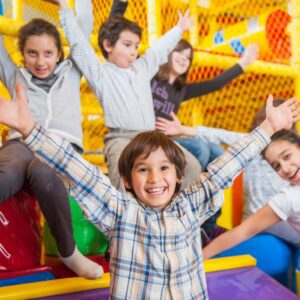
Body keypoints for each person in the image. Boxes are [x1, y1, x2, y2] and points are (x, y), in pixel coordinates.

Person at [0, 84, 298, 298]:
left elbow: (227, 165)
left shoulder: (191, 205)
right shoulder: (119, 210)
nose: (155, 178)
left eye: (164, 168)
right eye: (143, 169)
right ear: (128, 180)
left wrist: (268, 128)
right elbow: (78, 169)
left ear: (179, 177)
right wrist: (29, 128)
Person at [45, 0, 202, 190]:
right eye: (127, 45)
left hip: (150, 136)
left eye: (136, 46)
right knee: (121, 174)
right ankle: (124, 216)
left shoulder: (141, 68)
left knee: (192, 167)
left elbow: (158, 50)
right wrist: (65, 9)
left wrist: (179, 29)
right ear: (108, 45)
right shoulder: (101, 73)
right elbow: (79, 45)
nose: (133, 52)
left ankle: (172, 213)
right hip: (121, 138)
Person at [0, 0, 103, 278]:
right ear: (22, 54)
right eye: (32, 53)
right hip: (21, 143)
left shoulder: (71, 72)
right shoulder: (16, 76)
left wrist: (68, 5)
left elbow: (82, 30)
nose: (40, 61)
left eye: (48, 53)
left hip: (60, 148)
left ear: (59, 54)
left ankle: (70, 253)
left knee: (46, 175)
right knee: (7, 174)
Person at [110, 0, 259, 171]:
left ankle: (204, 190)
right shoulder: (149, 74)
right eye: (179, 52)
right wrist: (120, 4)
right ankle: (187, 190)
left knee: (216, 150)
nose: (183, 58)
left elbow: (215, 84)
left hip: (165, 140)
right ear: (169, 54)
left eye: (188, 57)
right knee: (200, 148)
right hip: (141, 137)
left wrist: (244, 63)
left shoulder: (181, 90)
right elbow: (116, 43)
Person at [157, 100, 300, 248]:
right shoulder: (253, 144)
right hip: (260, 216)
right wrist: (183, 129)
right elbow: (220, 135)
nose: (285, 167)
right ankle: (207, 232)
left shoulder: (290, 153)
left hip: (282, 217)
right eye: (276, 165)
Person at [202, 129, 300, 259]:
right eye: (277, 166)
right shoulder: (286, 199)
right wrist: (199, 259)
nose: (286, 169)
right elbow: (243, 231)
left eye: (287, 156)